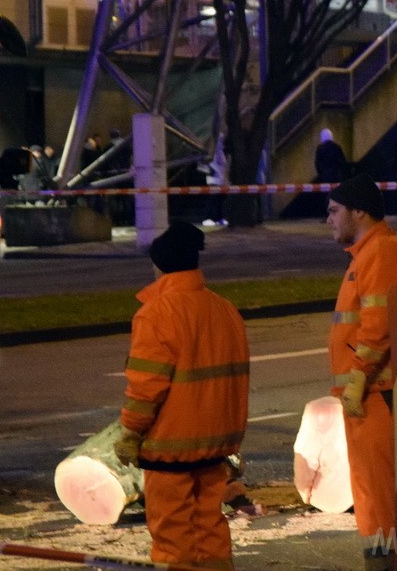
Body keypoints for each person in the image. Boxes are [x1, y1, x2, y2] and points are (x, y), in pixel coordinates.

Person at [114, 221, 250, 569]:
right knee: (211, 527)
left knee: (172, 533)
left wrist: (131, 431)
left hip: (170, 448)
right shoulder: (225, 309)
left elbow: (147, 385)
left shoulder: (156, 314)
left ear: (158, 266)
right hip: (214, 446)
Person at [324, 173, 397, 570]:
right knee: (372, 494)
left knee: (380, 496)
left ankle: (384, 567)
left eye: (334, 211)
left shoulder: (381, 252)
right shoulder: (372, 252)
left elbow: (379, 322)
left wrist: (360, 374)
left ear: (359, 211)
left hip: (379, 393)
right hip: (373, 394)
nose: (328, 219)